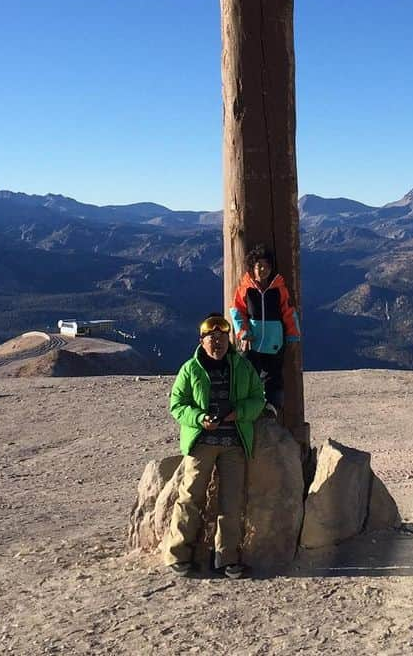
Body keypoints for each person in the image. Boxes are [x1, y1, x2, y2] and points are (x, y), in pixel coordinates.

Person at [164, 311, 265, 579]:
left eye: (222, 338)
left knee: (232, 502)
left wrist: (239, 412)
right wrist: (198, 418)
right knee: (190, 497)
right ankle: (178, 554)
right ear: (202, 340)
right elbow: (176, 405)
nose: (217, 343)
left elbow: (258, 399)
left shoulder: (242, 367)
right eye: (212, 338)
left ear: (228, 340)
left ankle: (228, 558)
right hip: (201, 443)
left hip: (234, 443)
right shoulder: (190, 369)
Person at [229, 244, 301, 413]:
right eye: (259, 265)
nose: (263, 269)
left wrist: (293, 335)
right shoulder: (245, 288)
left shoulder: (278, 289)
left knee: (273, 376)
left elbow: (289, 313)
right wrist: (243, 331)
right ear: (252, 267)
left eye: (267, 266)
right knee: (247, 373)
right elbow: (237, 310)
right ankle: (245, 405)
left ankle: (272, 407)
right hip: (251, 341)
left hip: (274, 341)